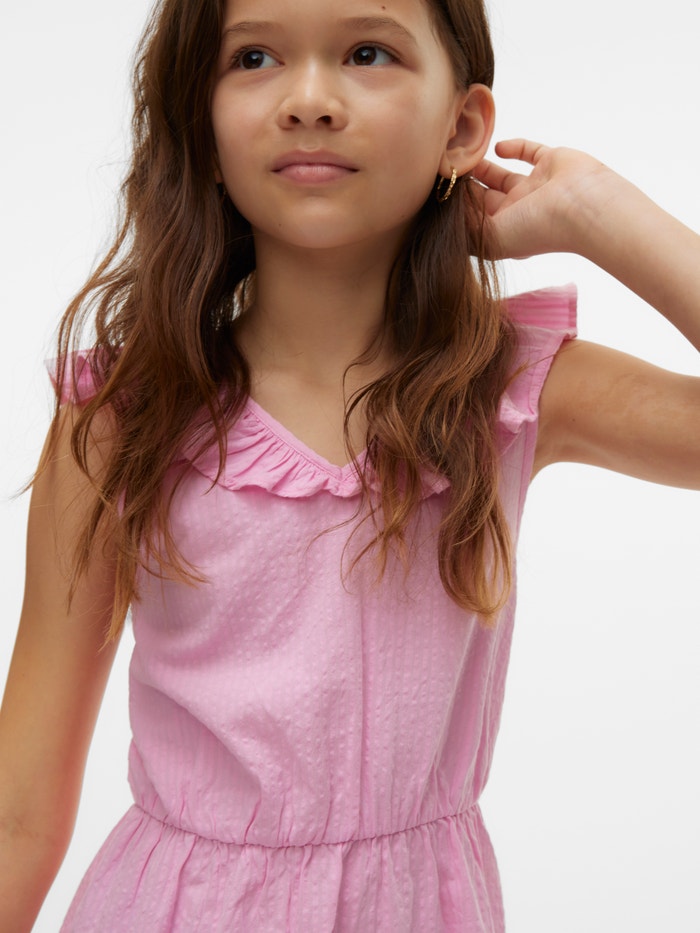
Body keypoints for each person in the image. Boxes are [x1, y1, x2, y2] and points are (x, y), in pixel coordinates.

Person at [0, 0, 698, 930]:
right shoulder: (123, 418)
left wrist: (600, 212)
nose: (310, 99)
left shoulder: (511, 391)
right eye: (253, 58)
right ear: (202, 124)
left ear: (462, 128)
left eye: (367, 52)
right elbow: (19, 810)